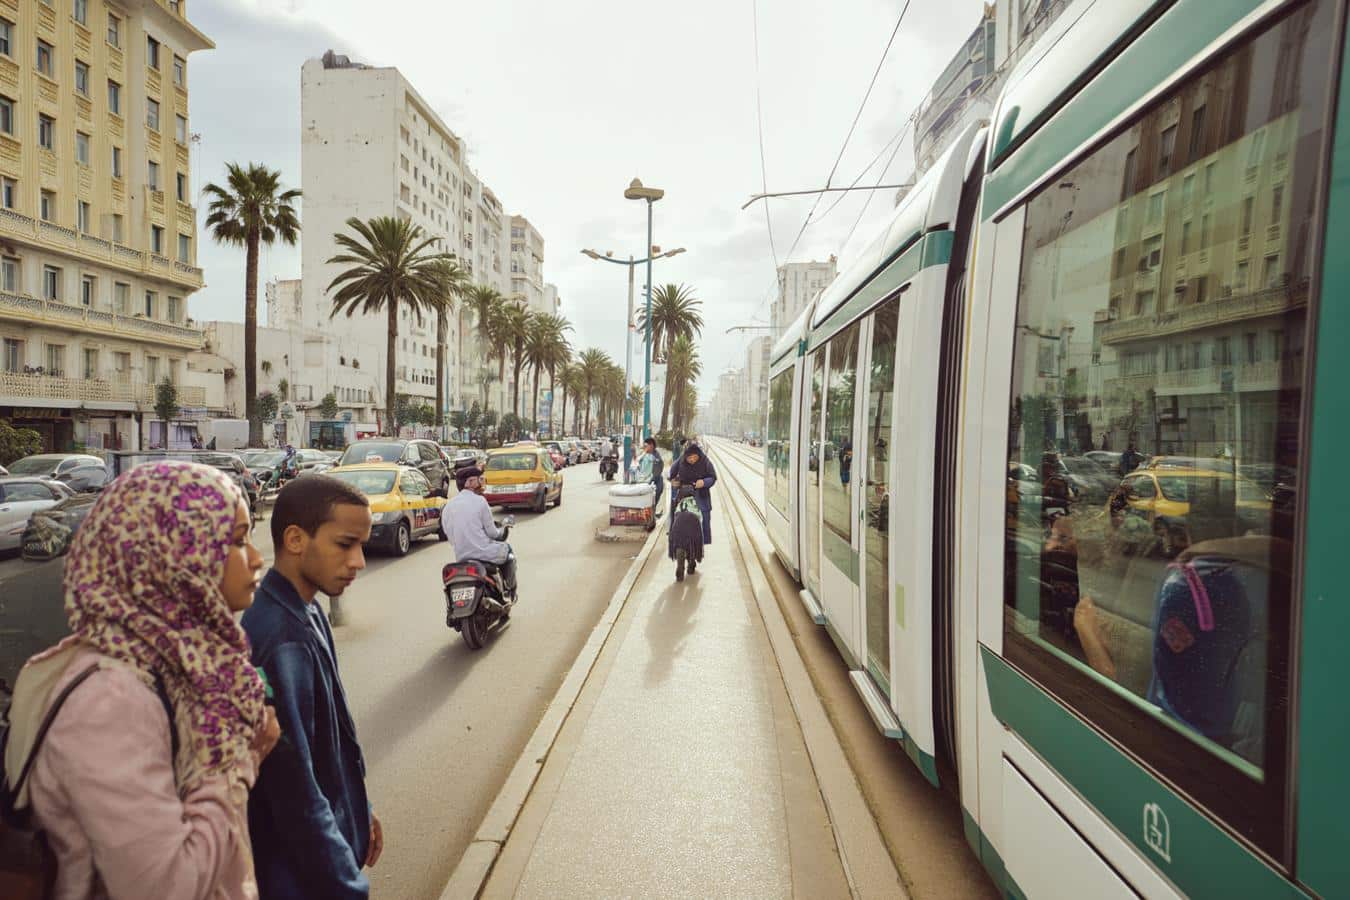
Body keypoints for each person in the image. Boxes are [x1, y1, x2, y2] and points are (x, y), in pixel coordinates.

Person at [11, 461, 278, 899]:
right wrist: (239, 762)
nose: (254, 558)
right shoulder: (111, 702)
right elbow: (168, 886)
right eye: (234, 540)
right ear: (173, 557)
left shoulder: (179, 663)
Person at [242, 476, 380, 900]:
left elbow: (336, 738)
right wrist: (348, 885)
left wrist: (361, 810)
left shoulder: (309, 611)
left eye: (361, 545)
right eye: (345, 544)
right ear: (296, 539)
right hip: (298, 875)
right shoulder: (279, 638)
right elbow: (295, 790)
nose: (358, 561)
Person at [443, 465, 516, 593]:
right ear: (470, 482)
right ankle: (510, 590)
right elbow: (493, 533)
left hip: (462, 557)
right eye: (479, 480)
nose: (481, 483)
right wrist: (503, 530)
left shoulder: (448, 507)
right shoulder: (480, 501)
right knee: (508, 552)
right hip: (483, 553)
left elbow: (450, 537)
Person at [668, 441, 718, 546]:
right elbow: (672, 472)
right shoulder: (681, 460)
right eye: (689, 458)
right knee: (675, 507)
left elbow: (713, 477)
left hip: (701, 492)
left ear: (698, 455)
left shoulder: (705, 461)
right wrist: (674, 480)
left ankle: (705, 539)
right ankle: (673, 531)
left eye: (694, 457)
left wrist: (704, 482)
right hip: (684, 490)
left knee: (705, 514)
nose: (691, 460)